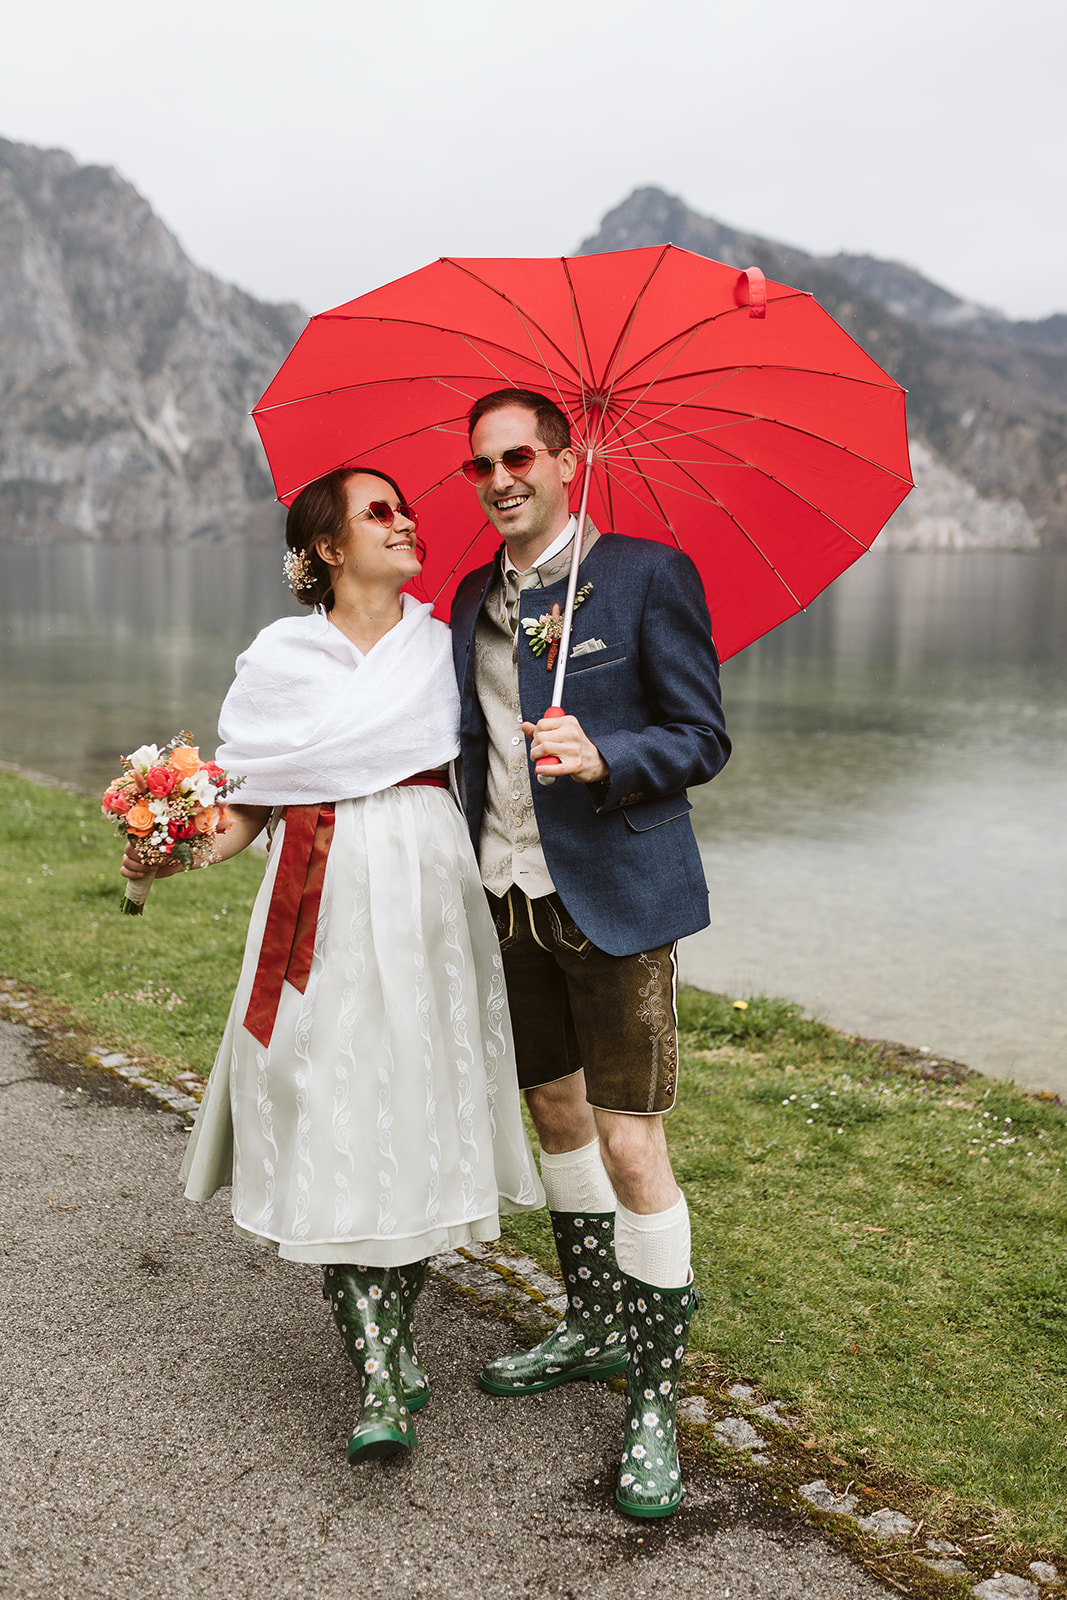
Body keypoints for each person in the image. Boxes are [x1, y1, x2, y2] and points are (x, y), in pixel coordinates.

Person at [121, 465, 543, 1465]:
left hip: (428, 892)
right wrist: (170, 840)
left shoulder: (446, 641)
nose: (405, 523)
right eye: (378, 512)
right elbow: (246, 811)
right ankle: (380, 1371)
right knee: (321, 1104)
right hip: (317, 891)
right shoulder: (278, 659)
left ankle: (388, 1355)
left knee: (406, 1109)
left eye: (404, 510)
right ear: (324, 548)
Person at [449, 389, 730, 1518]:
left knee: (627, 1143)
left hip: (614, 897)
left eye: (519, 455)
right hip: (505, 895)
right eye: (481, 465)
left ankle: (653, 1400)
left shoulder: (649, 573)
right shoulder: (472, 597)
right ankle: (591, 1328)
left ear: (566, 459)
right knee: (553, 1116)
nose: (500, 477)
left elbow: (702, 734)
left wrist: (603, 751)